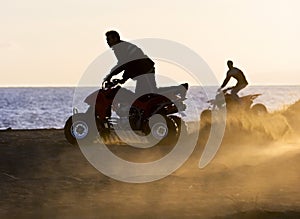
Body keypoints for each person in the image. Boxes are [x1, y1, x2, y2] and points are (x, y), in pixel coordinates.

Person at [104, 30, 157, 94]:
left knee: (141, 96)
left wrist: (110, 75)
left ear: (115, 38)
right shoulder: (120, 47)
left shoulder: (121, 48)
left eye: (108, 39)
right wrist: (122, 79)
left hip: (145, 71)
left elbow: (123, 64)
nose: (107, 41)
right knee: (146, 94)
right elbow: (127, 64)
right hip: (143, 71)